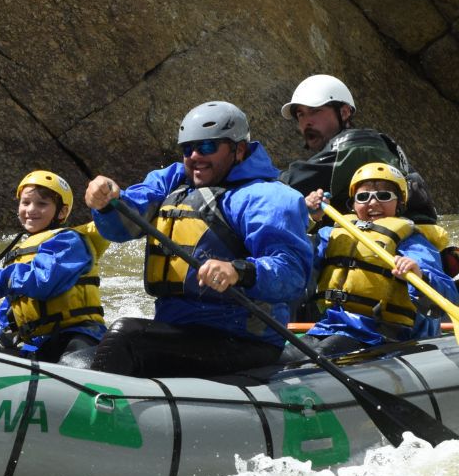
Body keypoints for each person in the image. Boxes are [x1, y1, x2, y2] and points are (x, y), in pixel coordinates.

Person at [75, 101, 313, 377]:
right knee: (73, 360)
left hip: (242, 341)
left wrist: (239, 271)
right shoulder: (172, 181)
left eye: (208, 147)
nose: (195, 156)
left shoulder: (268, 198)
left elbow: (293, 274)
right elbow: (122, 227)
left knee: (125, 337)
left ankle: (104, 416)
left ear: (239, 149)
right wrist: (106, 202)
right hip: (180, 332)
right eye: (188, 148)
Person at [302, 162, 459, 356]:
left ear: (399, 204)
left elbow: (449, 294)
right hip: (328, 325)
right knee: (287, 357)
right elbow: (295, 262)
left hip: (380, 333)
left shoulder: (412, 242)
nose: (373, 203)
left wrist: (420, 275)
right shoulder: (330, 234)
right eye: (363, 196)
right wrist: (305, 218)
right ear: (353, 204)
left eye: (384, 196)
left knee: (318, 356)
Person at [0, 170, 109, 362]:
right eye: (25, 203)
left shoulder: (68, 241)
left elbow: (43, 280)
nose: (31, 209)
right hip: (39, 342)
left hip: (78, 336)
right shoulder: (19, 253)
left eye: (42, 204)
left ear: (62, 212)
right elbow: (10, 313)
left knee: (69, 364)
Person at [278, 74, 423, 215]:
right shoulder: (373, 142)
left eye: (315, 111)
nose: (307, 122)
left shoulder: (354, 147)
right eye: (300, 114)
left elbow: (287, 185)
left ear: (344, 112)